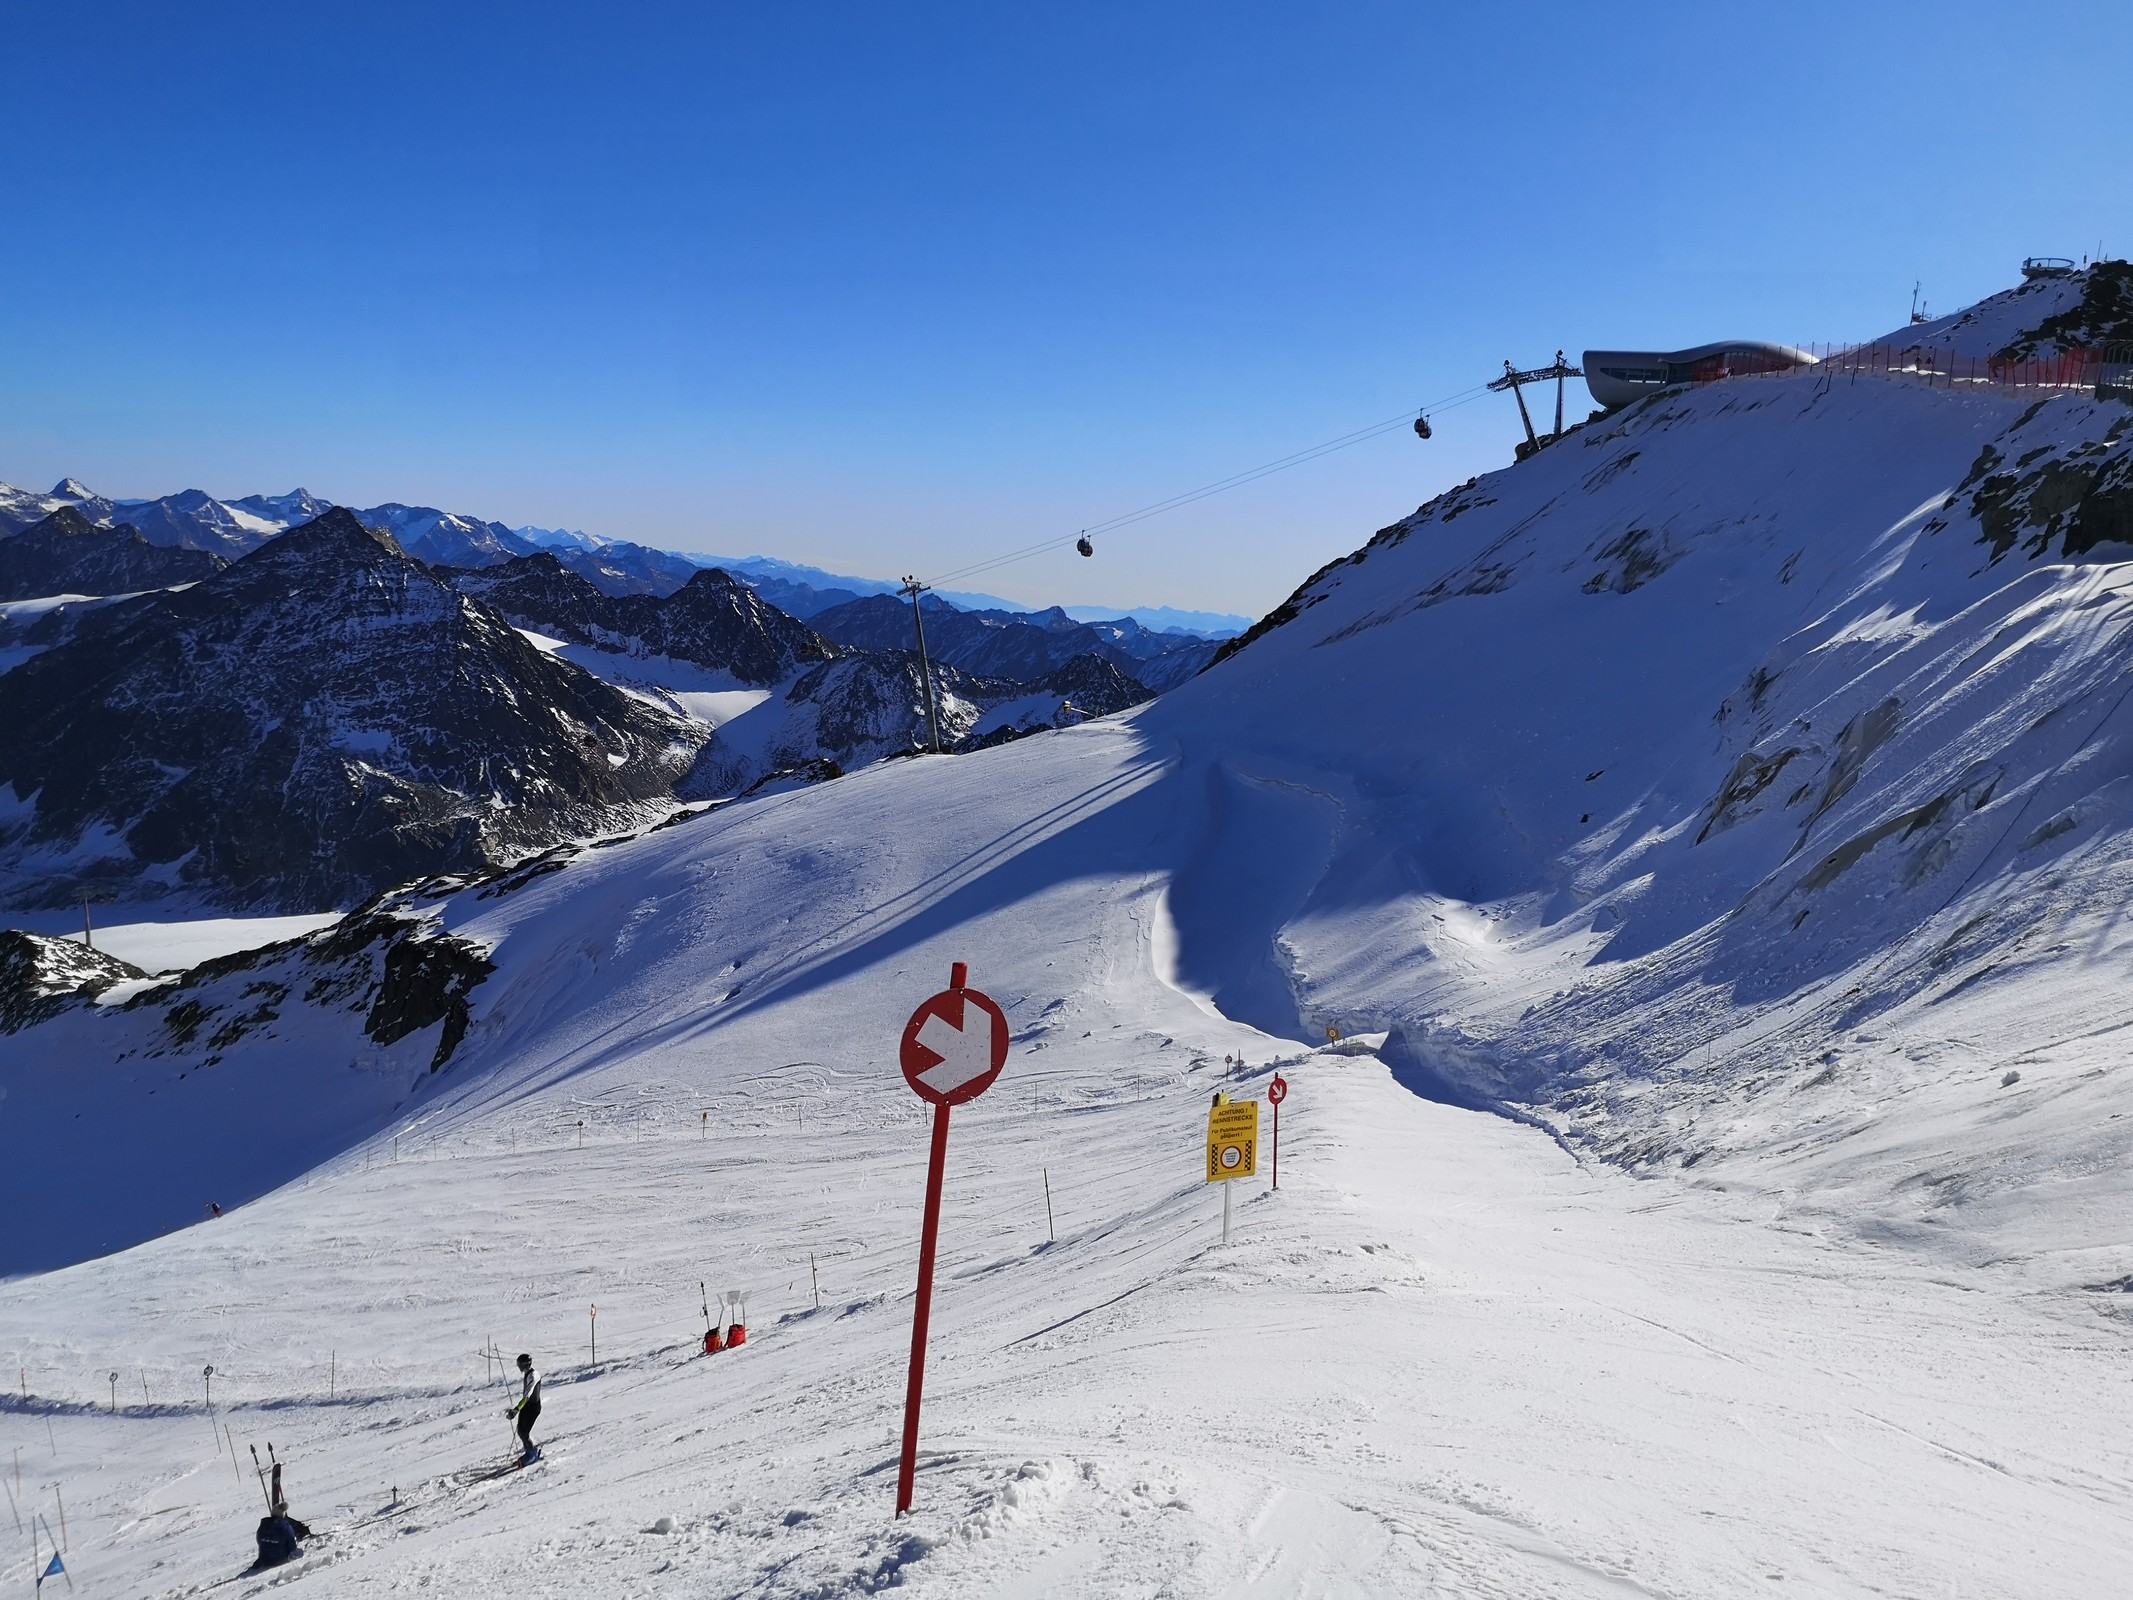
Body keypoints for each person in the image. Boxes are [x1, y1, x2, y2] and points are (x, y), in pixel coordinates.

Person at [507, 1354, 542, 1461]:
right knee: (520, 1430)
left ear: (525, 1364)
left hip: (533, 1407)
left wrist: (517, 1409)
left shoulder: (533, 1375)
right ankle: (529, 1451)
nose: (518, 1366)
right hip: (526, 1406)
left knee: (524, 1432)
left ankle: (532, 1454)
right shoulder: (527, 1373)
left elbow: (528, 1394)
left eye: (520, 1364)